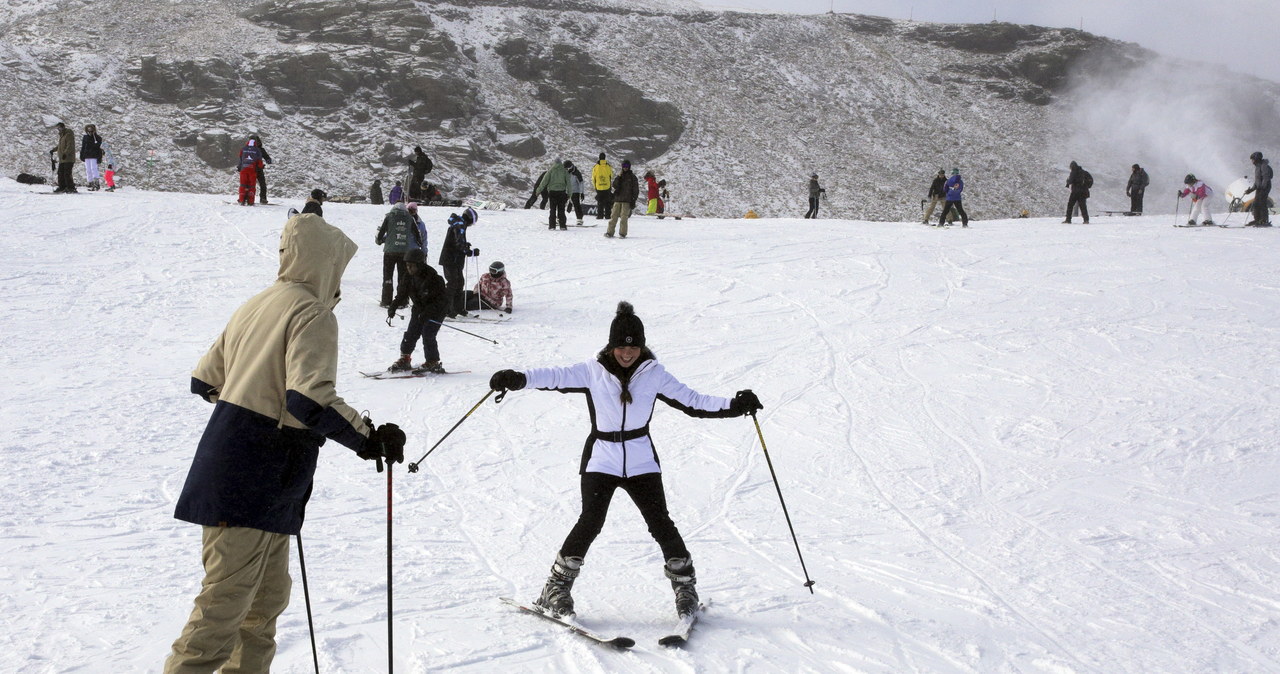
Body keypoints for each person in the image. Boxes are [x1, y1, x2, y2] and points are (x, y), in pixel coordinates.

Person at [163, 211, 407, 674]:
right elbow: (307, 398)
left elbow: (205, 381)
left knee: (264, 606)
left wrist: (256, 405)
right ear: (327, 264)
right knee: (222, 614)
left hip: (255, 476)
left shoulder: (258, 303)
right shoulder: (310, 312)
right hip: (251, 478)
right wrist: (369, 438)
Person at [487, 301, 763, 619]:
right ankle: (555, 589)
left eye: (633, 348)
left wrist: (735, 405)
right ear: (612, 345)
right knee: (590, 521)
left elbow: (694, 401)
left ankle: (686, 589)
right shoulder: (593, 371)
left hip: (641, 458)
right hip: (601, 457)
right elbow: (554, 376)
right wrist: (518, 378)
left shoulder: (655, 374)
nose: (627, 353)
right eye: (621, 347)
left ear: (642, 346)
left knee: (661, 523)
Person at [387, 248, 449, 373]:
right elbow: (402, 294)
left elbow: (442, 301)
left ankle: (433, 361)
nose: (408, 268)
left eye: (411, 266)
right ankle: (405, 358)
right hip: (419, 309)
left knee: (428, 334)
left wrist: (428, 312)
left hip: (436, 311)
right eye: (407, 265)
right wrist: (393, 306)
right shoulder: (408, 277)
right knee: (411, 333)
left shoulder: (434, 278)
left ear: (420, 265)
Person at [376, 201, 425, 307]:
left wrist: (379, 241)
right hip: (404, 252)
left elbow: (380, 231)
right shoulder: (410, 218)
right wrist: (419, 244)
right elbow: (418, 234)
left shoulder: (389, 216)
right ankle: (402, 301)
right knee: (403, 278)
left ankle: (386, 301)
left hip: (389, 252)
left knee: (388, 276)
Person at [439, 207, 480, 317]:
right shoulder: (460, 225)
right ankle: (446, 310)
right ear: (470, 218)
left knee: (459, 283)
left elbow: (457, 241)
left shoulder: (460, 223)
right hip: (450, 259)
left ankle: (458, 308)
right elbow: (458, 243)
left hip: (455, 260)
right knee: (452, 284)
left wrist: (466, 246)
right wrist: (469, 252)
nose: (472, 224)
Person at [606, 160, 639, 239]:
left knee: (624, 218)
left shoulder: (632, 177)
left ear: (629, 166)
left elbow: (636, 190)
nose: (625, 168)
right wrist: (619, 177)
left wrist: (633, 200)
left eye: (627, 166)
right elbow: (614, 185)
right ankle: (609, 232)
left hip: (627, 201)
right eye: (624, 165)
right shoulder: (620, 176)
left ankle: (622, 233)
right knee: (613, 217)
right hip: (617, 199)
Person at [536, 159, 572, 230]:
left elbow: (544, 182)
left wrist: (538, 190)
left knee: (552, 209)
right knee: (561, 209)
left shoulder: (550, 171)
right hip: (562, 193)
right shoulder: (565, 171)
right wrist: (569, 194)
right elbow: (569, 184)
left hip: (552, 193)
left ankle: (552, 226)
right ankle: (562, 226)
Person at [1243, 151, 1273, 227]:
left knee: (1262, 203)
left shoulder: (1263, 166)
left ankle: (1264, 220)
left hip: (1265, 187)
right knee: (1256, 203)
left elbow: (1266, 177)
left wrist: (1263, 187)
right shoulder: (1257, 167)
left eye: (1253, 159)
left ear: (1257, 159)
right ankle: (1257, 219)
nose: (1252, 161)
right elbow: (1257, 181)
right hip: (1260, 187)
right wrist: (1251, 190)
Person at [236, 139, 265, 205]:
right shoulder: (257, 150)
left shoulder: (243, 149)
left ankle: (241, 200)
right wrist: (261, 167)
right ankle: (250, 201)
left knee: (243, 184)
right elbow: (259, 161)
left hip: (243, 170)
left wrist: (239, 167)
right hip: (252, 170)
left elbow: (240, 160)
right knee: (251, 185)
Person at [52, 122, 76, 193]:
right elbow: (60, 146)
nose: (58, 129)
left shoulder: (68, 135)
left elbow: (70, 145)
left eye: (59, 128)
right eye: (57, 128)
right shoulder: (62, 136)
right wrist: (53, 150)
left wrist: (65, 153)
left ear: (63, 127)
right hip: (62, 158)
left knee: (67, 173)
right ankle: (62, 187)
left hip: (68, 158)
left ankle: (70, 187)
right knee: (60, 173)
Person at [249, 135, 274, 204]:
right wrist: (269, 161)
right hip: (257, 169)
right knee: (262, 184)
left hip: (251, 169)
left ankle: (246, 198)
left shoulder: (247, 149)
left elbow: (267, 157)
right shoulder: (260, 150)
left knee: (249, 184)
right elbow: (267, 158)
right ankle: (262, 199)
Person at [80, 124, 104, 191]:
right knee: (88, 169)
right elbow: (83, 146)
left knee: (94, 168)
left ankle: (96, 183)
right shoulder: (85, 137)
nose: (89, 131)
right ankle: (90, 182)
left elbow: (99, 147)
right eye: (88, 130)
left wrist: (99, 157)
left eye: (91, 130)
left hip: (94, 155)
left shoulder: (97, 138)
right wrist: (82, 154)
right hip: (87, 155)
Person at [592, 152, 614, 220]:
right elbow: (611, 175)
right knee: (607, 202)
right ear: (605, 158)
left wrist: (595, 186)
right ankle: (607, 215)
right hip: (607, 186)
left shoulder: (596, 167)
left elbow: (593, 178)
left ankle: (600, 215)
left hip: (599, 186)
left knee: (600, 202)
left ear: (599, 158)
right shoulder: (608, 166)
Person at [566, 161, 586, 226]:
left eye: (567, 168)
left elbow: (581, 183)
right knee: (560, 204)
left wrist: (582, 193)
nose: (566, 169)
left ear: (570, 166)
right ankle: (559, 218)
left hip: (575, 192)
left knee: (576, 205)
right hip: (567, 191)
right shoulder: (565, 172)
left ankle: (579, 219)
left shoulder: (577, 173)